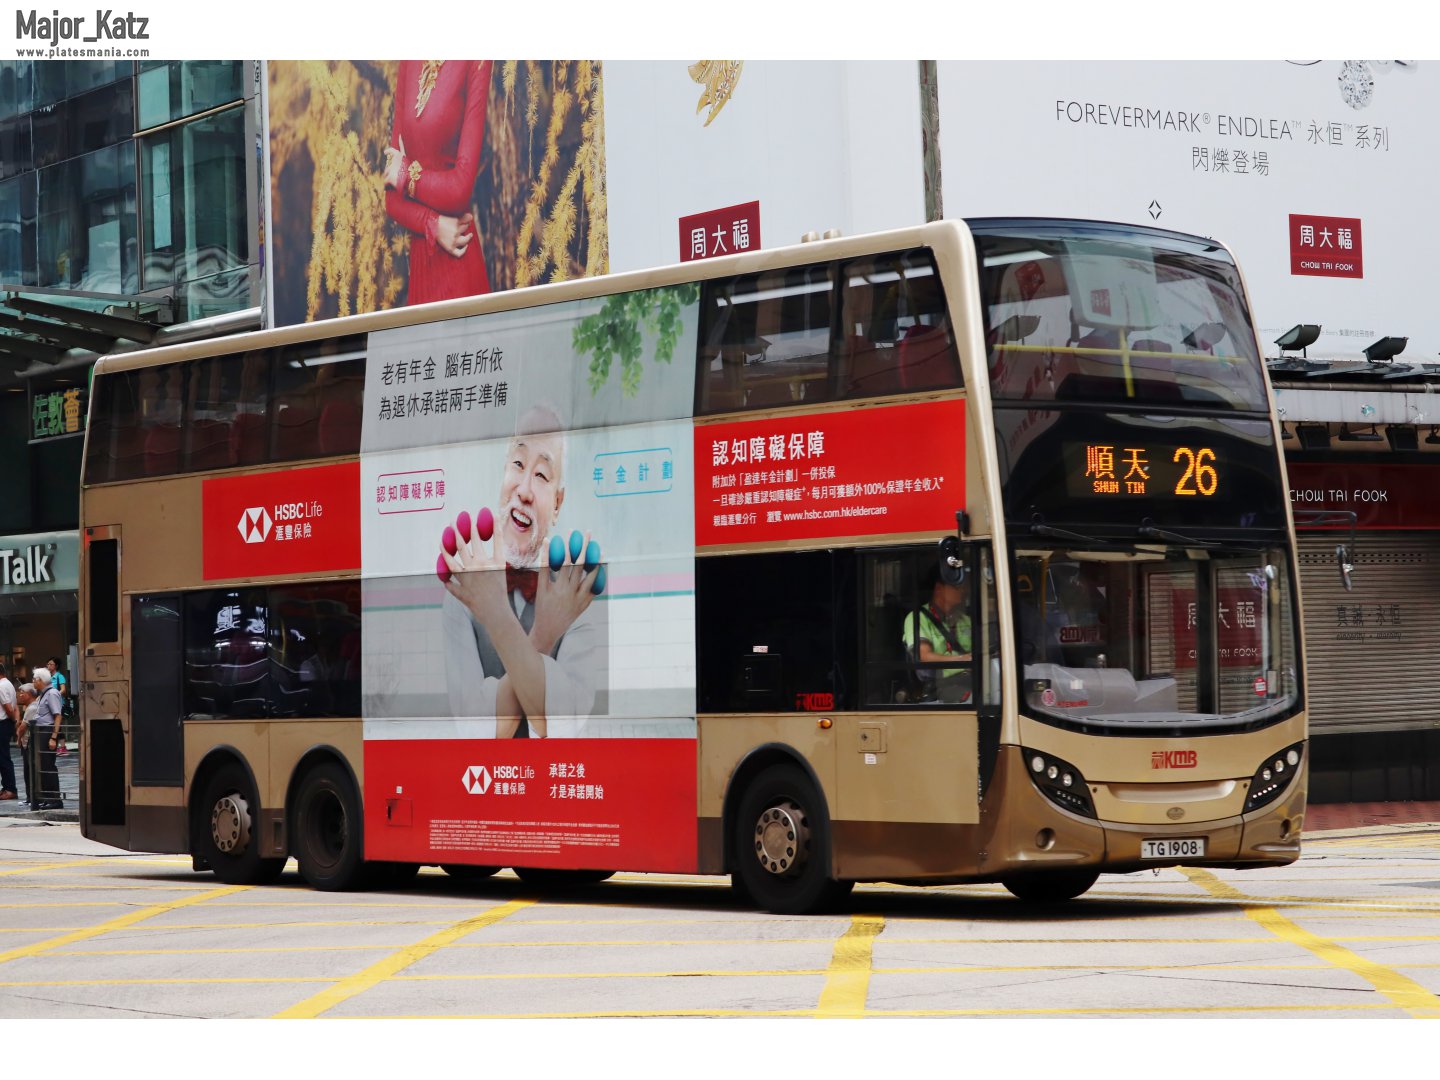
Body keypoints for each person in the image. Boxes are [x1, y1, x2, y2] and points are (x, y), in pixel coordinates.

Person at [440, 406, 605, 737]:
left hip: (561, 782)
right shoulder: (462, 592)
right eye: (517, 464)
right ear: (503, 475)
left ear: (557, 504)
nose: (525, 490)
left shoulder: (578, 594)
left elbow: (564, 721)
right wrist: (544, 634)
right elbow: (477, 728)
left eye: (542, 475)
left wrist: (498, 619)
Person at [382, 60, 494, 306]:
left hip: (459, 261)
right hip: (423, 263)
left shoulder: (477, 60)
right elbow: (391, 200)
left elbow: (460, 189)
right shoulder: (409, 61)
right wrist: (432, 224)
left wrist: (407, 175)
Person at [903, 566, 973, 702]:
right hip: (939, 690)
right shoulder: (917, 618)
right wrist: (962, 660)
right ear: (939, 588)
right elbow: (923, 655)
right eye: (957, 586)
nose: (963, 590)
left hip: (970, 683)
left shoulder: (965, 619)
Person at [29, 668, 63, 810]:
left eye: (34, 679)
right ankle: (47, 797)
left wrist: (53, 737)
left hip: (47, 731)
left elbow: (58, 715)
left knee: (48, 765)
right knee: (42, 765)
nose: (33, 682)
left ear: (40, 681)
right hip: (40, 732)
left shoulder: (52, 693)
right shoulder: (44, 694)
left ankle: (55, 799)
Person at [15, 683, 35, 806]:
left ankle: (31, 798)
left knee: (29, 771)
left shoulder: (32, 708)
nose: (20, 695)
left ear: (30, 694)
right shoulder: (28, 707)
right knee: (27, 771)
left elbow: (23, 727)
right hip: (26, 742)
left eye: (23, 693)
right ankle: (29, 797)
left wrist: (18, 738)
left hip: (29, 742)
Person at [0, 662, 17, 800]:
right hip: (6, 722)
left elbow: (8, 708)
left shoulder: (1, 685)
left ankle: (10, 789)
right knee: (3, 757)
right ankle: (6, 787)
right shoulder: (8, 684)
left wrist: (14, 721)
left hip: (3, 723)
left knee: (3, 757)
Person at [46, 657, 68, 754]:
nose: (49, 666)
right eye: (48, 664)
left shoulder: (59, 676)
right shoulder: (48, 677)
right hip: (50, 704)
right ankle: (61, 746)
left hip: (58, 704)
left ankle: (63, 747)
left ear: (56, 666)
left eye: (51, 664)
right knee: (56, 726)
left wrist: (56, 695)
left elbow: (63, 689)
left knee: (58, 725)